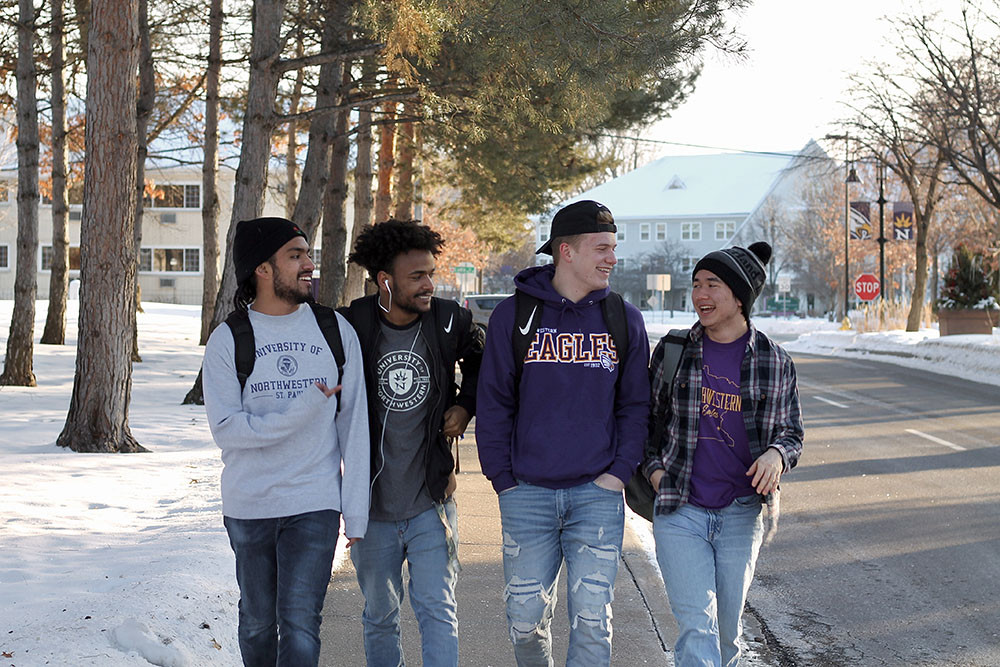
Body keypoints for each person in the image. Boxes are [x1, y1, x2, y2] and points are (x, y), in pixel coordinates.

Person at [475, 200, 651, 666]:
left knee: (593, 624)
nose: (612, 258)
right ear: (565, 251)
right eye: (602, 248)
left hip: (596, 494)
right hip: (526, 494)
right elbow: (493, 403)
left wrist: (616, 475)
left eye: (614, 247)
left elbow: (636, 406)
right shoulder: (513, 317)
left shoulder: (624, 319)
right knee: (524, 620)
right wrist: (503, 480)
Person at [202, 216, 370, 666]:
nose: (309, 264)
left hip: (313, 501)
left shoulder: (334, 331)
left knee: (299, 622)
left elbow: (354, 426)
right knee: (257, 622)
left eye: (308, 254)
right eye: (295, 256)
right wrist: (303, 411)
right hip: (249, 504)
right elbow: (227, 431)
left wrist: (355, 511)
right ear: (262, 268)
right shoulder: (229, 339)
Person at [641, 241, 803, 667]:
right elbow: (642, 422)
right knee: (698, 629)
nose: (700, 295)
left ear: (739, 296)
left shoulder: (773, 360)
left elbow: (791, 433)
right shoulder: (675, 351)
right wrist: (658, 476)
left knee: (727, 638)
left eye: (713, 284)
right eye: (696, 284)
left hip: (741, 513)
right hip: (681, 510)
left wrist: (775, 455)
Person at [339, 219, 484, 667]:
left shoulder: (448, 320)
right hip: (372, 507)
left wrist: (464, 406)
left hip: (432, 501)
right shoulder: (351, 326)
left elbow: (484, 366)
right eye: (416, 276)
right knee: (380, 615)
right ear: (385, 281)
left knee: (438, 610)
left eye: (430, 274)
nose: (428, 284)